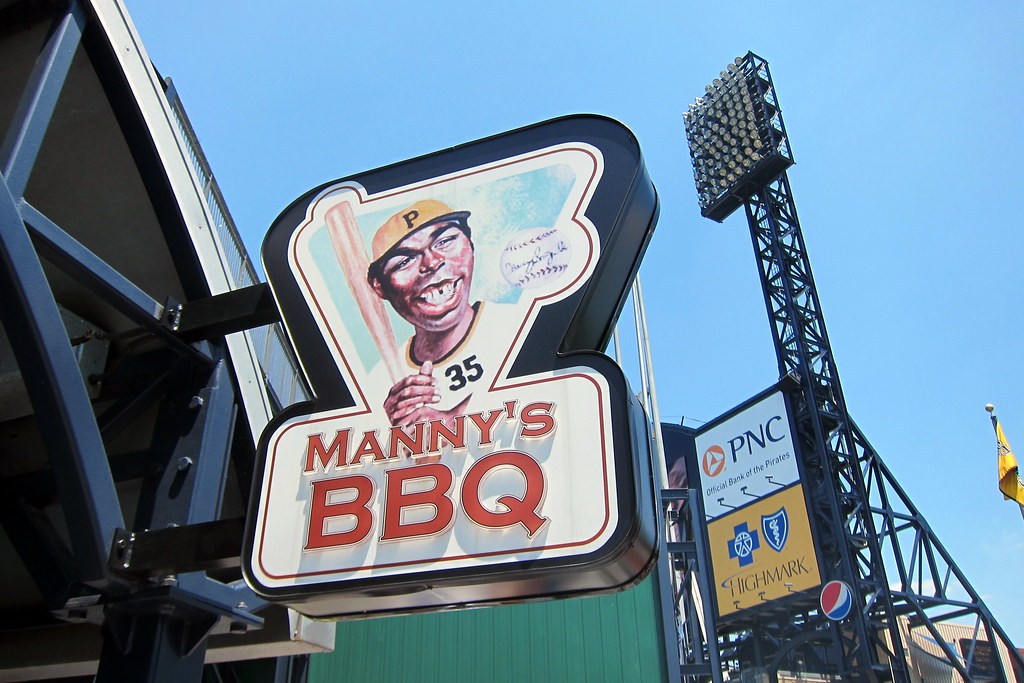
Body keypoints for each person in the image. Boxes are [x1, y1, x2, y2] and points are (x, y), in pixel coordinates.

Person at [367, 199, 508, 426]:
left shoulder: (519, 326)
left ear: (470, 245)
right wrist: (384, 433)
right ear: (379, 287)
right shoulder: (377, 380)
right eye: (404, 261)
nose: (431, 263)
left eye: (445, 241)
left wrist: (456, 420)